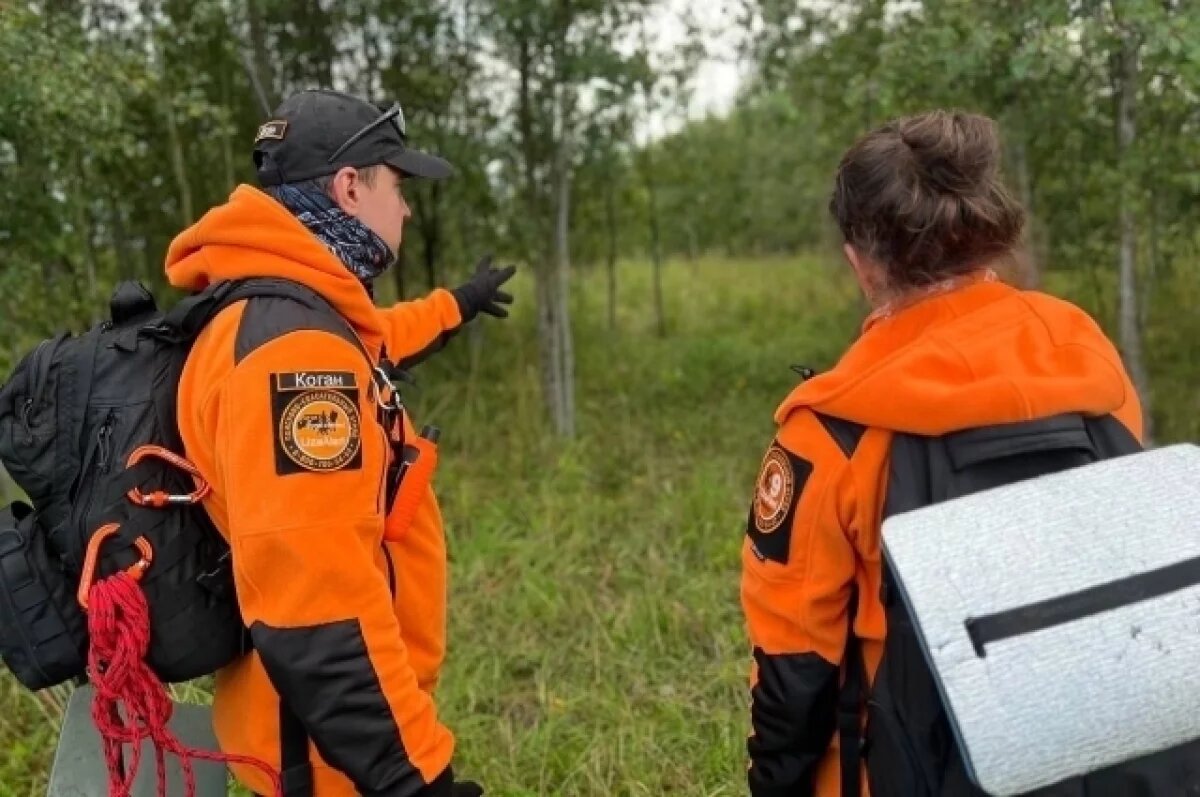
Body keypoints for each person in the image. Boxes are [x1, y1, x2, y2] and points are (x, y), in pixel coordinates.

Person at [739, 110, 1143, 796]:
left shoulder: (830, 433)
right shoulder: (1086, 360)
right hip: (1092, 754)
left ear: (861, 263)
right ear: (984, 237)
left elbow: (792, 668)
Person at [166, 89, 512, 797]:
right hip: (325, 759)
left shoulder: (281, 305)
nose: (407, 209)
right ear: (351, 187)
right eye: (397, 185)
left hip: (313, 735)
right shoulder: (294, 357)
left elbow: (380, 338)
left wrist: (460, 302)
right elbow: (318, 617)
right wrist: (415, 780)